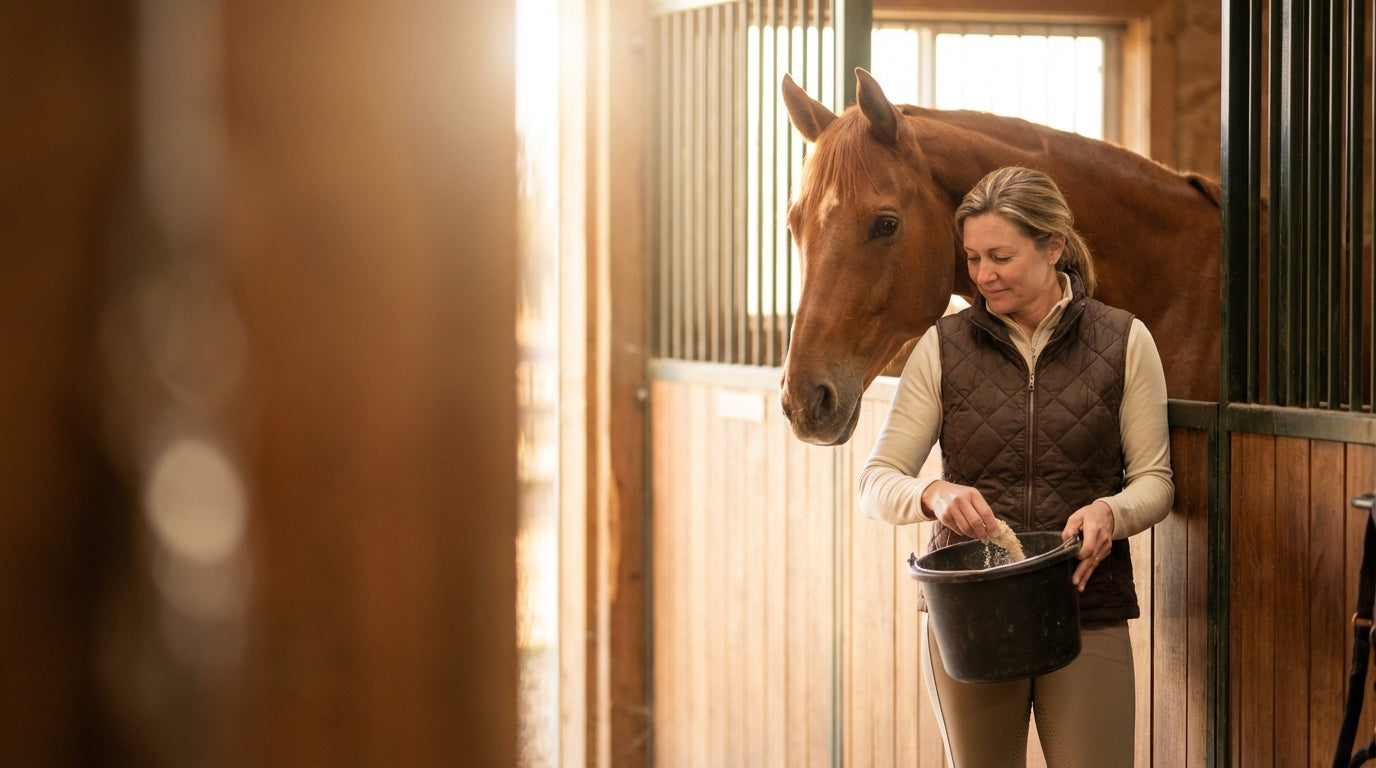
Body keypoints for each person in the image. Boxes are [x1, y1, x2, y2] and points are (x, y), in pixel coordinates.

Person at [857, 166, 1174, 767]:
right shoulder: (941, 348)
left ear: (1053, 245)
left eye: (1000, 256)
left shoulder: (1124, 340)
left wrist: (1113, 510)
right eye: (973, 257)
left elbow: (1156, 481)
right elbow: (875, 483)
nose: (982, 275)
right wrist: (932, 494)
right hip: (971, 615)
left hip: (1087, 606)